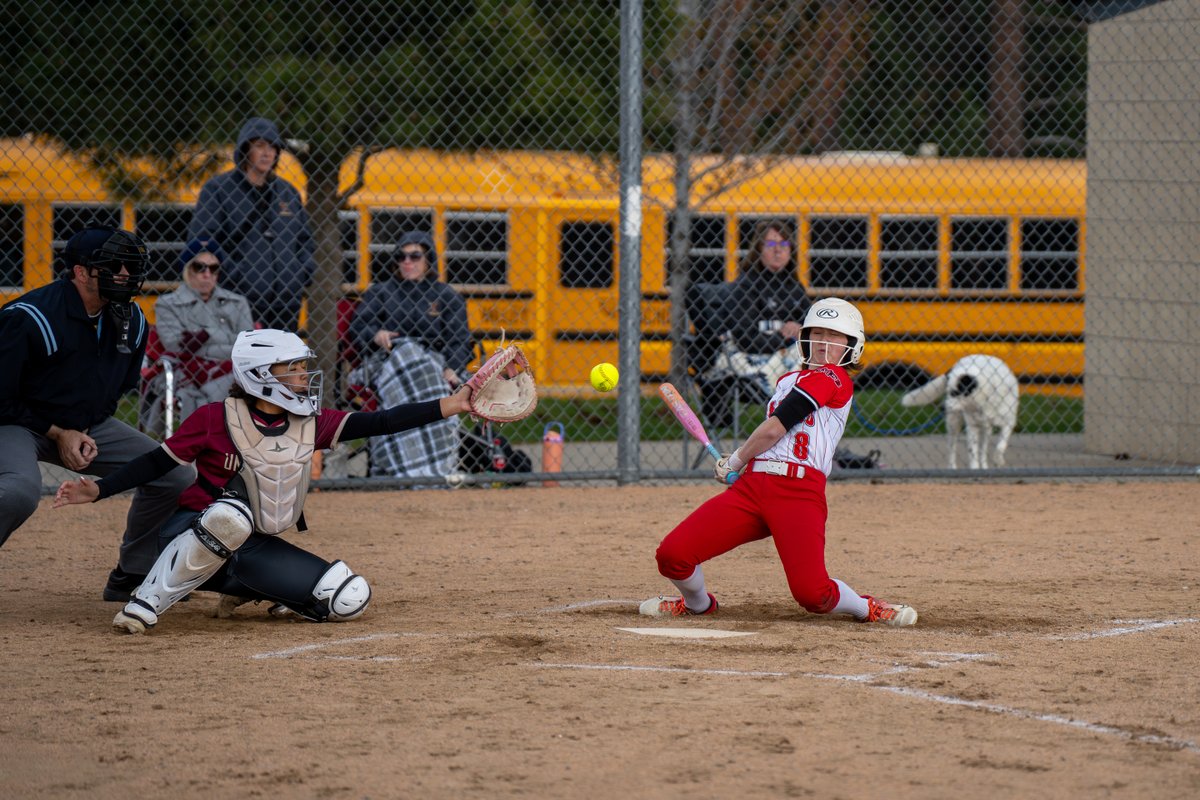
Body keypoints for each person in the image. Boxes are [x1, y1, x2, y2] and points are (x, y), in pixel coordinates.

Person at [54, 328, 476, 635]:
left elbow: (382, 421)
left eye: (301, 367)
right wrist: (99, 489)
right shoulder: (214, 418)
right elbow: (155, 463)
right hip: (191, 530)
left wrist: (453, 404)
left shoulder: (309, 422)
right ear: (260, 375)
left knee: (348, 597)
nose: (301, 376)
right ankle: (146, 602)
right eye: (291, 368)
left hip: (253, 543)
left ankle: (246, 587)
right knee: (229, 516)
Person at [639, 298, 917, 626]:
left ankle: (865, 607)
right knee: (672, 556)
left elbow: (775, 428)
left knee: (814, 595)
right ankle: (698, 604)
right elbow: (772, 442)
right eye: (818, 333)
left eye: (834, 336)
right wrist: (745, 467)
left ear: (852, 346)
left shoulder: (835, 379)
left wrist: (735, 460)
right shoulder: (785, 381)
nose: (824, 343)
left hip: (799, 493)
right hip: (753, 488)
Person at [0, 226, 195, 600]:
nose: (125, 273)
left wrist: (83, 428)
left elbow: (117, 388)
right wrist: (58, 432)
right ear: (80, 272)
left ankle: (133, 574)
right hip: (15, 422)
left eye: (131, 265)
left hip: (83, 426)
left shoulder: (132, 320)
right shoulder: (29, 317)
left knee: (174, 474)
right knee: (19, 491)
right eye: (114, 265)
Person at [347, 231, 473, 478]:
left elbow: (460, 340)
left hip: (434, 365)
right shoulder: (381, 292)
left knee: (436, 379)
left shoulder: (447, 296)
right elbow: (357, 327)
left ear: (428, 260)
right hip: (390, 362)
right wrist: (375, 334)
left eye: (415, 256)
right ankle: (400, 469)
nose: (407, 262)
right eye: (401, 256)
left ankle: (435, 469)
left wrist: (452, 367)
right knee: (409, 355)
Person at [188, 117, 315, 332]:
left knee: (280, 364)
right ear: (245, 149)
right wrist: (235, 275)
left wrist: (300, 274)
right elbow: (202, 241)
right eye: (259, 146)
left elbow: (305, 242)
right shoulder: (219, 190)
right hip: (236, 301)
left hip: (285, 303)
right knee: (239, 363)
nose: (267, 153)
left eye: (273, 147)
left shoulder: (288, 193)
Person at [146, 237, 254, 434]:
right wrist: (228, 339)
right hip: (187, 373)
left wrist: (206, 335)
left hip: (230, 371)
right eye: (200, 267)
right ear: (188, 270)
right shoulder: (167, 303)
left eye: (213, 268)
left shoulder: (238, 302)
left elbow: (247, 347)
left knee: (239, 379)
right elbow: (175, 345)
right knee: (227, 388)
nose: (207, 274)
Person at [714, 219, 811, 393]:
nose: (778, 249)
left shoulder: (795, 287)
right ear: (759, 249)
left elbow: (811, 328)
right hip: (753, 359)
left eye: (784, 243)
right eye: (771, 243)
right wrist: (785, 338)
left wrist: (799, 328)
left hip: (789, 356)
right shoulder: (745, 285)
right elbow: (746, 339)